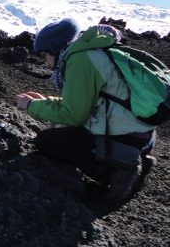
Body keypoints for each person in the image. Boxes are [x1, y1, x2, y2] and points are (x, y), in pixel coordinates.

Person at [15, 18, 156, 203]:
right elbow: (83, 103)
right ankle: (132, 160)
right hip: (140, 135)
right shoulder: (92, 52)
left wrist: (32, 106)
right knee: (63, 133)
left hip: (124, 138)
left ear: (55, 48)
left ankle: (114, 175)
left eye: (44, 55)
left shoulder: (80, 60)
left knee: (47, 141)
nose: (44, 62)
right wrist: (44, 102)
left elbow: (73, 115)